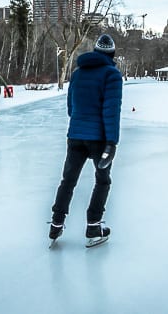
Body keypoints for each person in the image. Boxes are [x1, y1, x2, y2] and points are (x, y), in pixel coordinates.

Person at [49, 34, 123, 247]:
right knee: (102, 181)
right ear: (112, 54)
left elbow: (71, 108)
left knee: (68, 181)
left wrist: (82, 122)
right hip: (99, 139)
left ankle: (56, 224)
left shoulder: (78, 73)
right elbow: (111, 111)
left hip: (75, 136)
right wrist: (112, 142)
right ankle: (93, 227)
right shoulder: (112, 74)